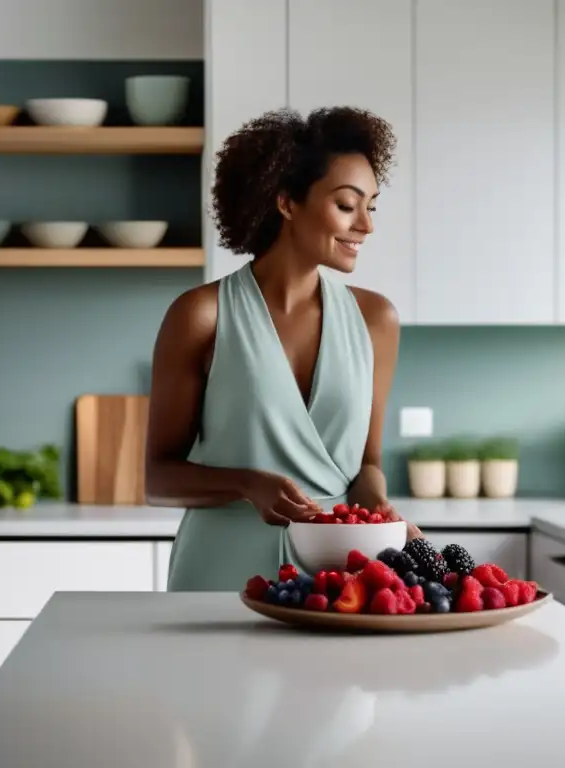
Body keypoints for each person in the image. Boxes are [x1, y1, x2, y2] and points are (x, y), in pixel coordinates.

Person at [145, 106, 420, 591]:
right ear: (287, 202)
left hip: (337, 578)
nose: (366, 226)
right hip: (220, 571)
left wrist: (376, 506)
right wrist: (247, 484)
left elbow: (367, 465)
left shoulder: (377, 320)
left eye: (371, 206)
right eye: (346, 204)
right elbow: (159, 478)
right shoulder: (202, 315)